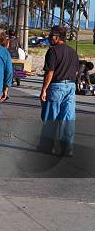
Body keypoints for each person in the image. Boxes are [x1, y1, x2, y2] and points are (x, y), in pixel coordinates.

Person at [39, 26, 79, 156]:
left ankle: (48, 146)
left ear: (57, 37)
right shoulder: (73, 52)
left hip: (57, 86)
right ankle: (68, 148)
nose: (49, 38)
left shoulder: (53, 51)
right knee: (68, 118)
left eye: (51, 36)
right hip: (71, 86)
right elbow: (77, 71)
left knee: (52, 116)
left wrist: (44, 89)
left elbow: (50, 72)